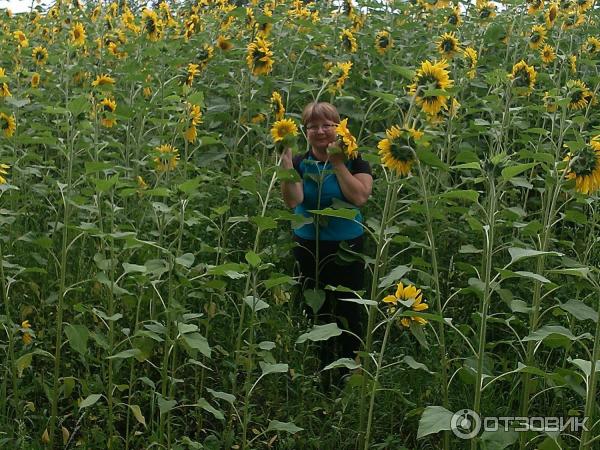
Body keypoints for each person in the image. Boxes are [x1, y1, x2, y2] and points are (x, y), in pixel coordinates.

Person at [280, 101, 373, 375]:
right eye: (313, 126)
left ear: (339, 128)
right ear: (305, 131)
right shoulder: (300, 162)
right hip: (308, 247)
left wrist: (338, 163)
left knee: (348, 310)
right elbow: (293, 200)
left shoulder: (356, 160)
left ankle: (347, 370)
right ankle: (318, 369)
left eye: (327, 125)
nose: (320, 131)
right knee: (313, 308)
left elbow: (359, 197)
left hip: (346, 248)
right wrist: (286, 167)